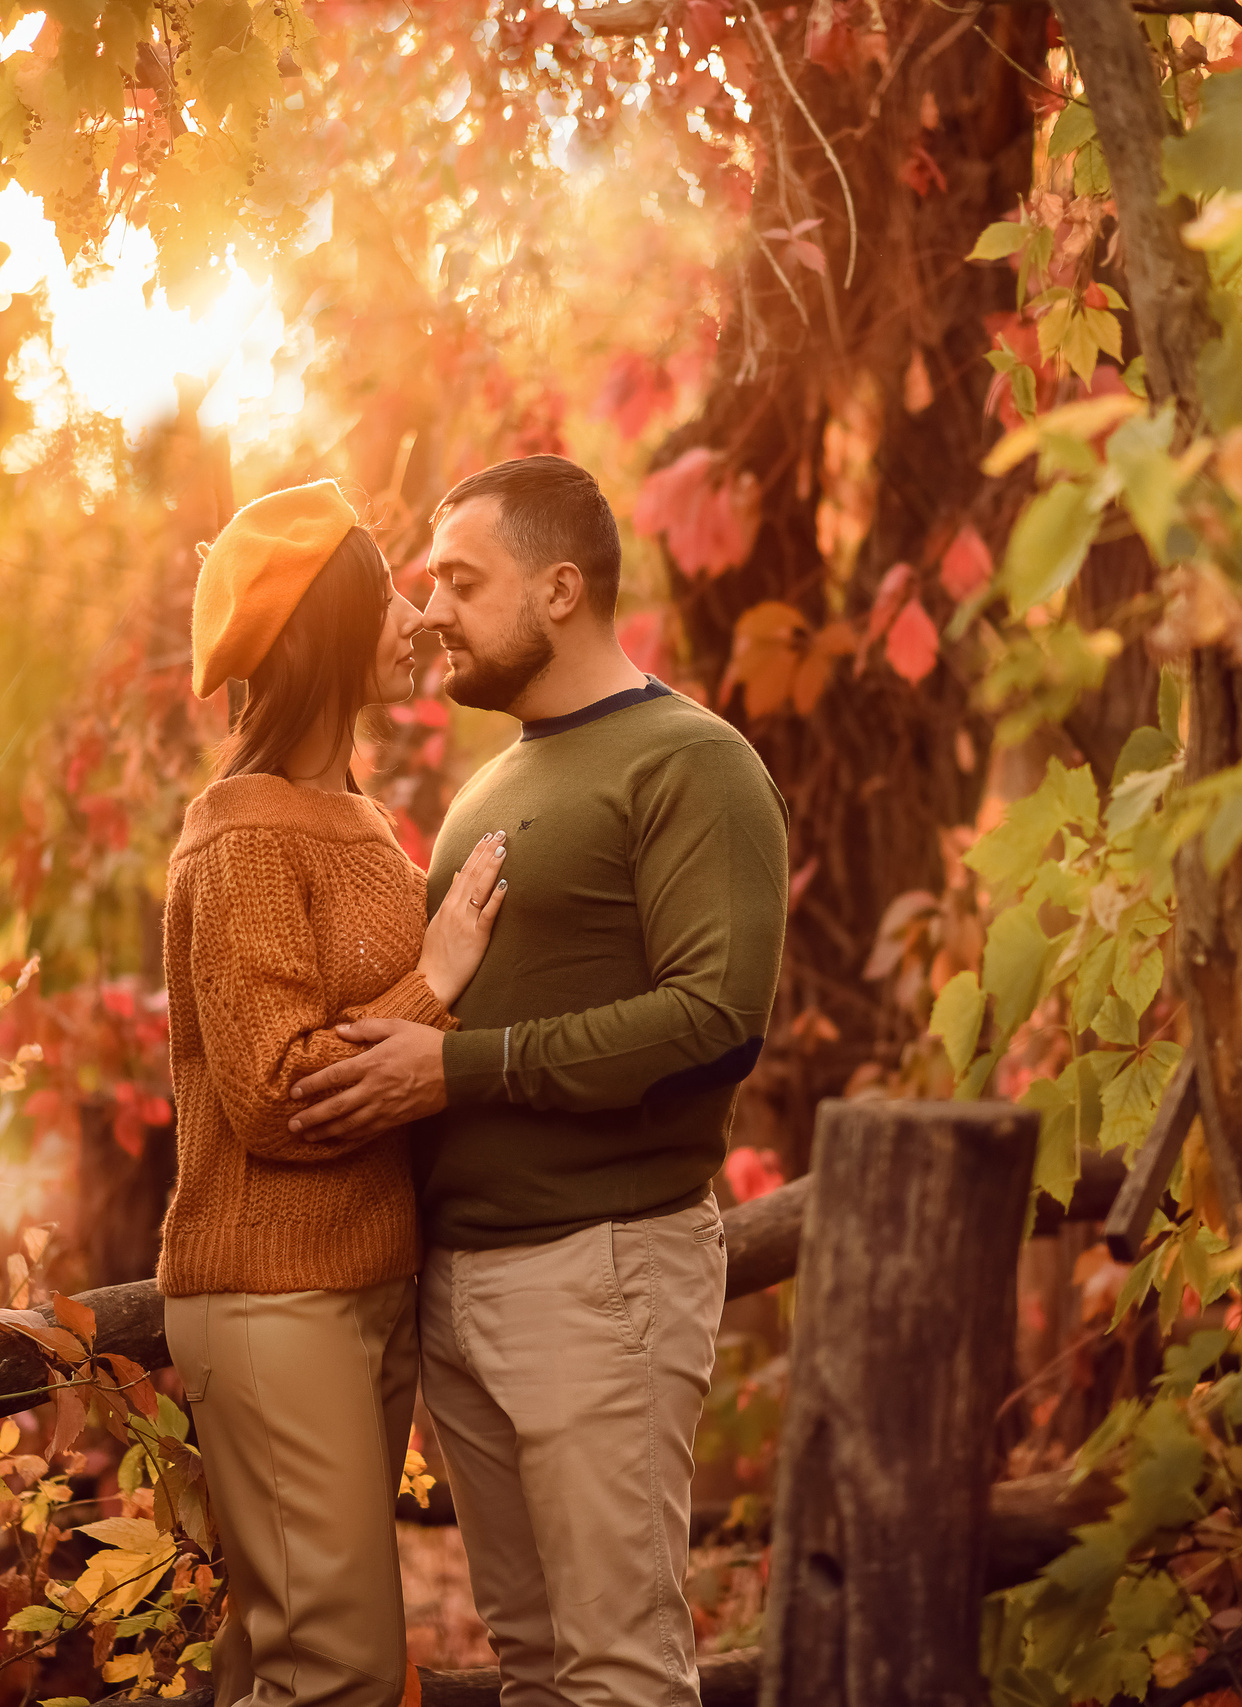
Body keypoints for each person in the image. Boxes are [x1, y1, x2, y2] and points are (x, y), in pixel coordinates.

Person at [284, 455, 790, 1707]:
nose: (432, 609)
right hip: (464, 1286)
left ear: (561, 588)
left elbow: (714, 1018)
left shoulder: (691, 762)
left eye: (462, 579)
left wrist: (458, 1071)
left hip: (601, 1273)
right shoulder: (492, 782)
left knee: (619, 1670)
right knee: (533, 1671)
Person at [156, 478, 512, 1707]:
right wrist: (438, 983)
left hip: (362, 1284)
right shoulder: (246, 837)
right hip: (270, 1297)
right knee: (347, 1671)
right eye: (391, 594)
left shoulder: (354, 818)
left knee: (288, 1663)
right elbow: (273, 1092)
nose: (416, 614)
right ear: (325, 629)